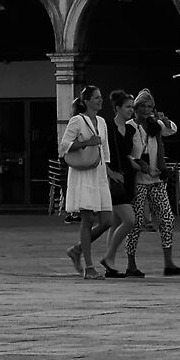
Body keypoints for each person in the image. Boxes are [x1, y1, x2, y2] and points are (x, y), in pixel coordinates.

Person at [123, 89, 180, 278]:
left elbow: (172, 129)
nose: (146, 110)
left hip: (156, 179)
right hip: (138, 180)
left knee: (167, 218)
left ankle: (169, 263)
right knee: (135, 223)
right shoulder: (129, 127)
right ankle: (131, 263)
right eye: (142, 106)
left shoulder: (154, 125)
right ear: (136, 107)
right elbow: (128, 154)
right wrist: (143, 167)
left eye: (149, 106)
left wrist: (164, 119)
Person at [60, 83, 113, 279]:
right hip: (82, 173)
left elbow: (105, 149)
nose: (100, 100)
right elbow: (63, 147)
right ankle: (89, 267)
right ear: (87, 101)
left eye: (100, 97)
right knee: (87, 218)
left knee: (108, 220)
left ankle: (77, 249)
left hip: (98, 173)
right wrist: (86, 143)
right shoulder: (77, 121)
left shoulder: (101, 121)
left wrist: (108, 170)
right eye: (97, 97)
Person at [99, 89, 138, 278]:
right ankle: (109, 257)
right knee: (130, 220)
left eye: (132, 107)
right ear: (118, 108)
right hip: (112, 179)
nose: (131, 110)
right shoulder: (106, 127)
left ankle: (110, 265)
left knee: (115, 222)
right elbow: (101, 155)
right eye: (128, 107)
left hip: (127, 178)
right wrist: (110, 172)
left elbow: (129, 154)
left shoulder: (131, 129)